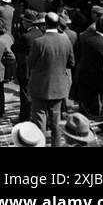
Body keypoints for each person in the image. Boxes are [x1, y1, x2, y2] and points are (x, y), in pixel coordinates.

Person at [27, 11, 76, 147]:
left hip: (40, 87)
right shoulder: (65, 40)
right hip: (58, 86)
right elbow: (71, 63)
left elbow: (30, 63)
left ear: (45, 24)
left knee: (39, 121)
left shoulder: (39, 42)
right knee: (56, 122)